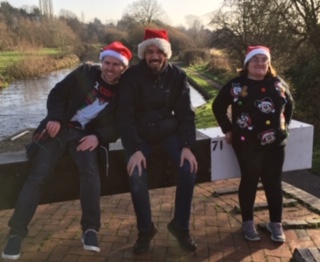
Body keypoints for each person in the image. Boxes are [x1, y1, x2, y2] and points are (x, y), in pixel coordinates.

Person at [2, 42, 132, 260]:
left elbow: (119, 124)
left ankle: (90, 229)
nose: (110, 68)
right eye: (107, 63)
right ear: (102, 61)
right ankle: (16, 233)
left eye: (116, 65)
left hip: (84, 136)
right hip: (59, 129)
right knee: (37, 176)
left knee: (90, 172)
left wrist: (98, 137)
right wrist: (54, 117)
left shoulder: (123, 92)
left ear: (123, 68)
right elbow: (58, 93)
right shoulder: (85, 72)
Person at [117, 28, 198, 254]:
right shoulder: (131, 77)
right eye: (149, 51)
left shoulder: (178, 75)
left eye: (159, 51)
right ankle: (145, 230)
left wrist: (188, 146)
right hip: (141, 136)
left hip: (168, 133)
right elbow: (125, 116)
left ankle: (180, 226)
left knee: (188, 168)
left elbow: (185, 114)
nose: (154, 56)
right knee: (136, 175)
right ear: (143, 53)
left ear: (166, 54)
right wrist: (133, 149)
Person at [212, 46, 293, 243]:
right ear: (247, 64)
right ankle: (248, 222)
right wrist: (228, 129)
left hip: (276, 144)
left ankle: (276, 224)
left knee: (273, 182)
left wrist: (283, 127)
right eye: (255, 60)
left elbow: (289, 105)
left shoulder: (278, 83)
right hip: (247, 144)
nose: (259, 63)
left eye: (263, 60)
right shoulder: (237, 85)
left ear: (269, 64)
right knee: (249, 181)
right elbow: (218, 106)